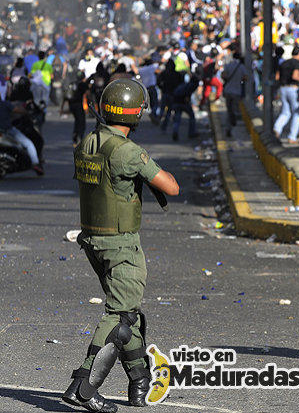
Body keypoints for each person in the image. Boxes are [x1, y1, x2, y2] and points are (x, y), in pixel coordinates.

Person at [62, 79, 179, 411]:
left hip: (93, 240)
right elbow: (171, 187)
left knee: (130, 314)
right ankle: (83, 386)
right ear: (135, 114)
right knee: (120, 315)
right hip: (120, 243)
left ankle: (139, 383)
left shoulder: (89, 142)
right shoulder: (127, 151)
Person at [0, 89, 43, 175]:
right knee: (28, 143)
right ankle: (35, 163)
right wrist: (27, 112)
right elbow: (17, 110)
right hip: (6, 129)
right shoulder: (4, 103)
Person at [273, 47, 299, 144]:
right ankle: (292, 137)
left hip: (283, 88)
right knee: (297, 113)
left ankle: (277, 129)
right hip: (293, 89)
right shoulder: (297, 63)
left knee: (285, 112)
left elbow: (277, 77)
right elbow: (295, 76)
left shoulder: (284, 63)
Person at [222, 52, 248, 137]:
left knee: (229, 110)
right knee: (234, 109)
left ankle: (228, 128)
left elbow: (224, 75)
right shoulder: (242, 67)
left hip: (228, 90)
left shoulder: (229, 65)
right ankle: (231, 124)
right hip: (237, 91)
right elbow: (245, 78)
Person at [61, 71, 89, 146]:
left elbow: (65, 96)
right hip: (78, 105)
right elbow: (87, 94)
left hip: (71, 105)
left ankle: (75, 136)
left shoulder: (72, 83)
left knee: (77, 121)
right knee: (81, 122)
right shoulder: (82, 84)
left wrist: (62, 108)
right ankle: (79, 137)